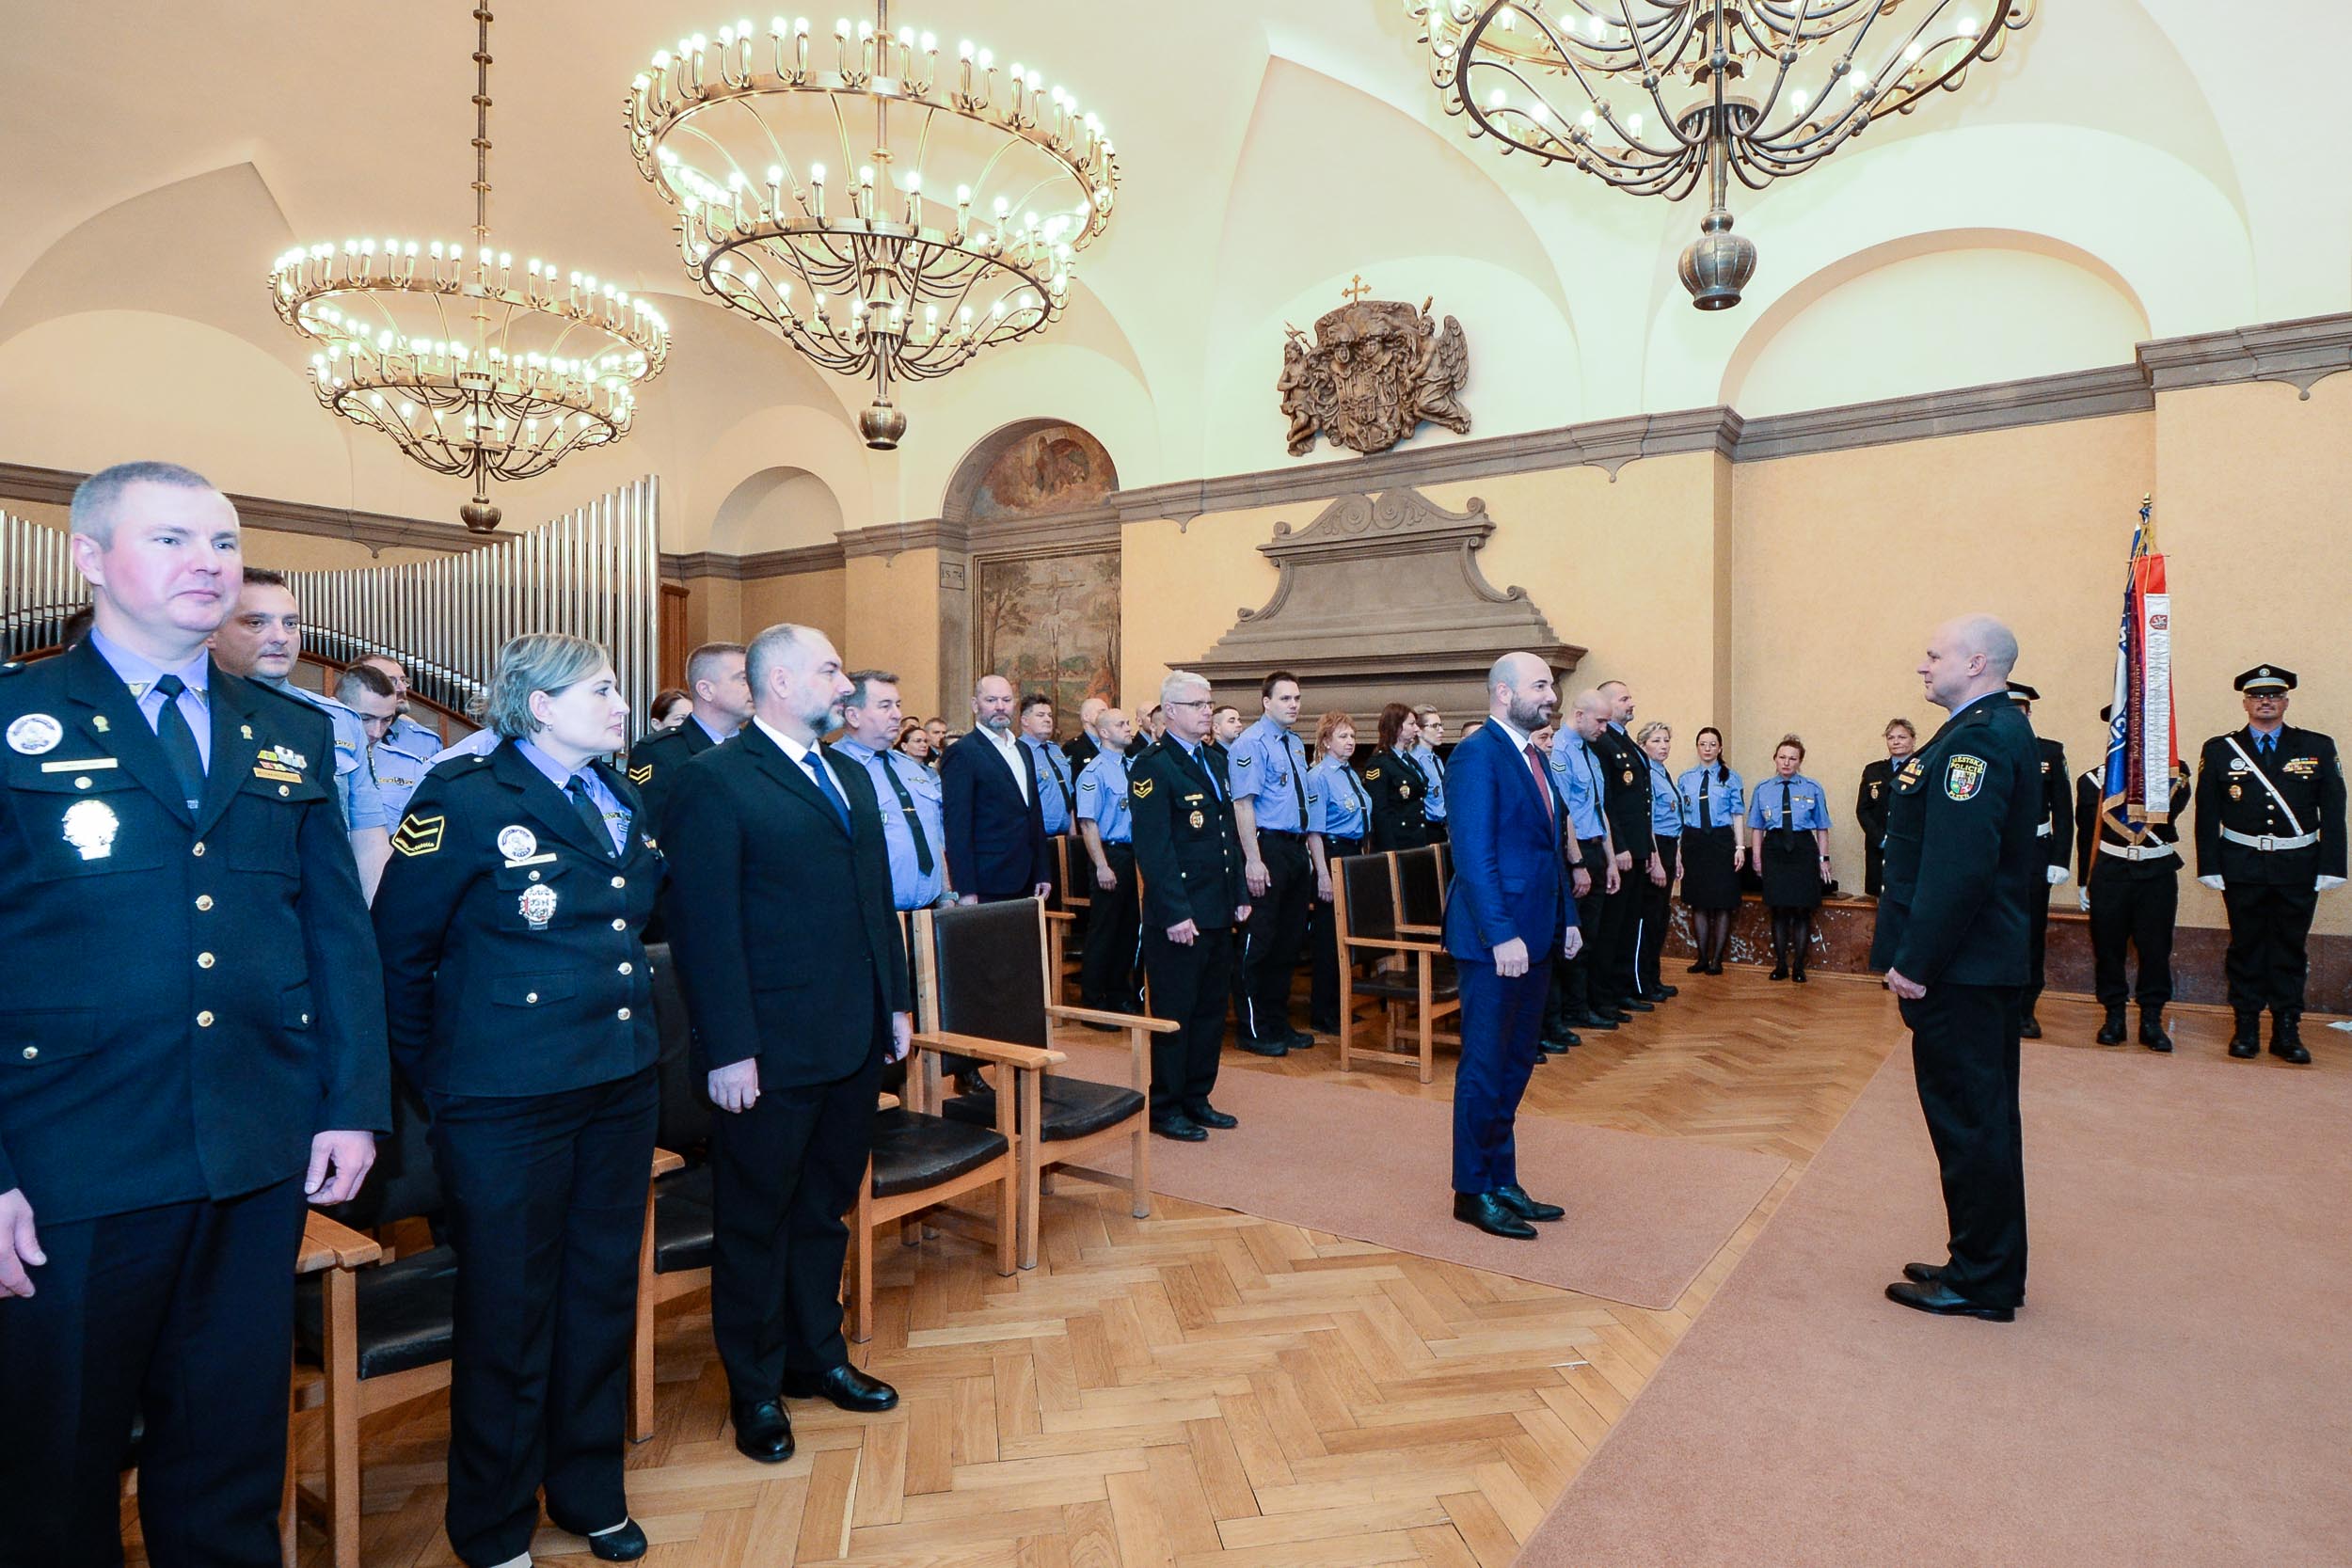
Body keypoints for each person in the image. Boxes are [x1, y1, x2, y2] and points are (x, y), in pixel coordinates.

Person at [0, 461, 387, 1566]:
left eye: (221, 543)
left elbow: (334, 935)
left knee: (227, 1456)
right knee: (53, 1469)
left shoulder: (287, 730)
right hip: (70, 1162)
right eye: (172, 540)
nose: (207, 564)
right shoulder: (15, 716)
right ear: (88, 557)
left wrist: (351, 1102)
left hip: (252, 1145)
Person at [372, 634, 663, 1567]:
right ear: (537, 703)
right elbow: (399, 956)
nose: (621, 703)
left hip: (616, 1081)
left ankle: (586, 1487)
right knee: (508, 1307)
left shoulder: (619, 792)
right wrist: (449, 1083)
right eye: (601, 688)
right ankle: (493, 1522)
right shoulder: (464, 797)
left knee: (599, 1291)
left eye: (618, 688)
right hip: (502, 1097)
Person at [660, 623, 910, 1466]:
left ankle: (818, 1357)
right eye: (831, 669)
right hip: (765, 1050)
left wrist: (897, 1004)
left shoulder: (846, 773)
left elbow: (876, 901)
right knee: (756, 1223)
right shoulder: (713, 781)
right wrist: (729, 1048)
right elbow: (704, 929)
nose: (845, 684)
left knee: (822, 1211)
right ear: (779, 683)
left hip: (850, 1038)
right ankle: (755, 1388)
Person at [1873, 613, 2042, 1323]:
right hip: (1978, 965)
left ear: (1976, 663)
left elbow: (1958, 870)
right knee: (1983, 1118)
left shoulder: (1977, 740)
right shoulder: (1991, 729)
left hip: (1961, 969)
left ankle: (1983, 1278)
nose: (1923, 664)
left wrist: (1915, 961)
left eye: (1934, 652)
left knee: (1971, 1121)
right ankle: (1983, 1257)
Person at [1444, 653, 1583, 1240]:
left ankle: (1502, 1178)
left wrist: (1569, 918)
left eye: (1551, 685)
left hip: (1539, 930)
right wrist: (1502, 934)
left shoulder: (1535, 756)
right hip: (1495, 940)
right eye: (1541, 685)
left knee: (1516, 1061)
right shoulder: (1477, 756)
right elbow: (1474, 857)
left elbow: (1550, 849)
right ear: (1504, 693)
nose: (1551, 695)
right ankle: (1471, 1190)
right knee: (1483, 1064)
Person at [209, 565, 394, 898]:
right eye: (256, 622)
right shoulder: (189, 716)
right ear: (212, 631)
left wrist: (371, 930)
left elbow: (368, 840)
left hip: (318, 905)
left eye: (290, 623)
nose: (280, 636)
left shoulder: (336, 720)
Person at [2194, 664, 2346, 1063]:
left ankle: (2286, 1030)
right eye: (2258, 696)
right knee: (2245, 947)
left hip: (2298, 865)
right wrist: (2209, 864)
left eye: (2274, 696)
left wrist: (2333, 865)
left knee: (2289, 948)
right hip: (2241, 863)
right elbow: (2207, 813)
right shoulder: (2220, 749)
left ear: (2285, 701)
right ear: (2245, 702)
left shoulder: (2316, 746)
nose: (2266, 702)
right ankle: (2245, 1027)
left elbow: (2334, 810)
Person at [1128, 670, 1250, 1142]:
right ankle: (1165, 1105)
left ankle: (1198, 1096)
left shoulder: (1215, 761)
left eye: (1209, 703)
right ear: (1171, 711)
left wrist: (1239, 894)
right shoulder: (1152, 766)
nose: (1208, 712)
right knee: (1176, 1012)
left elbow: (1229, 838)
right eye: (1199, 705)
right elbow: (1154, 850)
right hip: (1179, 915)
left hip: (1217, 909)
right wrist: (1177, 912)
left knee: (1209, 1010)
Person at [2075, 706, 2190, 1051]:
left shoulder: (2174, 775)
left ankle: (2152, 1019)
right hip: (2111, 872)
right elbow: (2087, 836)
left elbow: (2173, 809)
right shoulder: (2093, 781)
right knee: (2108, 949)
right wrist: (2085, 880)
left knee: (2155, 949)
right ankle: (2113, 1016)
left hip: (2156, 871)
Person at [1229, 671, 1315, 1056]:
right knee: (1259, 941)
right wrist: (1253, 860)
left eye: (1296, 698)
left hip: (1294, 850)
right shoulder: (1250, 743)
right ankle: (1252, 1027)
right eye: (1285, 699)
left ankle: (1278, 1022)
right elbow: (1243, 804)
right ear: (1266, 702)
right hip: (1267, 848)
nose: (1293, 705)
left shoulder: (1295, 743)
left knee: (1288, 942)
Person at [836, 670, 951, 919]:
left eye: (898, 705)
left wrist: (947, 896)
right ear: (853, 715)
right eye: (885, 706)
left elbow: (933, 834)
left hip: (928, 914)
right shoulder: (834, 769)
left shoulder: (910, 766)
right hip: (871, 919)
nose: (897, 714)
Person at [941, 674, 1052, 908]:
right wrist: (965, 888)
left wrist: (1042, 871)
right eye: (991, 700)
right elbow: (957, 825)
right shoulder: (963, 752)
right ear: (975, 705)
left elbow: (1033, 815)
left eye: (1006, 699)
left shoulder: (1023, 749)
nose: (1000, 706)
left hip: (1027, 877)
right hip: (987, 881)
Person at [1548, 690, 1620, 1040]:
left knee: (1591, 937)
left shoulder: (1589, 753)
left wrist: (1609, 861)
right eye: (1600, 721)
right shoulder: (1559, 751)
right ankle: (1568, 1012)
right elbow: (1565, 814)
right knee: (1572, 938)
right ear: (1579, 715)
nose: (1605, 728)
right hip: (1575, 855)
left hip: (1594, 849)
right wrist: (1577, 863)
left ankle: (1583, 1005)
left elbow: (1597, 809)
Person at [2005, 683, 2073, 1037]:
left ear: (2029, 713)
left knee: (2030, 933)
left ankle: (2025, 1009)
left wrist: (2060, 858)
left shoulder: (2049, 752)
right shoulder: (1983, 749)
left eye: (2021, 709)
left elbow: (2064, 809)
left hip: (2034, 852)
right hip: (1995, 854)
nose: (2015, 715)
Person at [627, 641, 750, 832]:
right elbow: (653, 830)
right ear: (706, 690)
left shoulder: (760, 749)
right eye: (743, 679)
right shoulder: (660, 752)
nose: (754, 686)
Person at [1590, 681, 1661, 1010]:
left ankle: (1624, 987)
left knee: (1630, 922)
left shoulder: (1624, 742)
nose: (1632, 703)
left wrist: (1646, 848)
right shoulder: (1602, 743)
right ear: (1606, 704)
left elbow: (1641, 805)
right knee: (1614, 925)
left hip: (1636, 848)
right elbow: (1608, 803)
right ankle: (1607, 994)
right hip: (1621, 851)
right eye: (1624, 698)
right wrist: (1619, 846)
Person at [1306, 710, 1373, 1036]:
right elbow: (1315, 831)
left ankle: (1340, 1006)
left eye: (1352, 736)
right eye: (1343, 737)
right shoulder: (1319, 776)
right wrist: (1322, 874)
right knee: (1328, 940)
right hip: (1331, 854)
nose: (1350, 742)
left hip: (1353, 855)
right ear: (1327, 741)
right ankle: (1323, 1012)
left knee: (1344, 937)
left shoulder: (1349, 773)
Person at [1074, 707, 1143, 1016]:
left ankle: (1118, 992)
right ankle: (1094, 997)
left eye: (1127, 722)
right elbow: (1088, 824)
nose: (1128, 728)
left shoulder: (1133, 766)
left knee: (1129, 928)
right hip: (1109, 853)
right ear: (1103, 732)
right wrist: (1102, 865)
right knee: (1105, 929)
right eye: (1121, 724)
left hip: (1133, 855)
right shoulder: (1094, 772)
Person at [1749, 736, 1832, 982]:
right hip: (1774, 849)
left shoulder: (1812, 788)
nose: (1786, 763)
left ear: (1800, 761)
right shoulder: (1763, 788)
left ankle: (1799, 967)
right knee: (1779, 910)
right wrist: (1757, 858)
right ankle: (1781, 965)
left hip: (1803, 848)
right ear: (1775, 759)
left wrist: (1823, 859)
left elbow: (1822, 827)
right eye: (1782, 757)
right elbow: (1756, 827)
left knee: (1802, 910)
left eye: (1792, 758)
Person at [1676, 726, 1746, 974]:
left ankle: (1717, 960)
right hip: (1694, 842)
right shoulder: (1685, 778)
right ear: (1697, 748)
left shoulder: (1731, 777)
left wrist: (1739, 847)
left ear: (1720, 748)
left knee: (1722, 902)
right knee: (1699, 902)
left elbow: (1737, 814)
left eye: (1712, 744)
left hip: (1721, 841)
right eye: (1703, 744)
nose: (1707, 749)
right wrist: (1678, 852)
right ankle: (1701, 957)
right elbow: (1680, 816)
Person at [355, 653, 447, 820]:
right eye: (391, 681)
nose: (402, 689)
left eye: (404, 680)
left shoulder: (426, 741)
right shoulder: (338, 734)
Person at [1630, 721, 1681, 1004]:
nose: (1663, 746)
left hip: (1670, 845)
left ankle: (1654, 977)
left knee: (1660, 918)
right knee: (1648, 919)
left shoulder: (1663, 772)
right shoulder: (1645, 773)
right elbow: (1647, 820)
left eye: (1666, 740)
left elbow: (1675, 818)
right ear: (1643, 745)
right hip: (1656, 847)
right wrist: (1657, 860)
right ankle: (1641, 982)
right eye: (1657, 741)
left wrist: (1678, 856)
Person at [1857, 719, 1916, 897]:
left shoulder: (1923, 767)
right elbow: (1863, 810)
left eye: (1902, 737)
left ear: (1913, 740)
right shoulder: (1873, 771)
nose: (1896, 742)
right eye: (1891, 738)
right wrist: (1881, 839)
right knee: (1881, 902)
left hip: (1910, 846)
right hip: (1879, 848)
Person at [1365, 701, 1432, 850]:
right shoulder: (1379, 763)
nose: (1416, 729)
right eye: (1411, 724)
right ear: (1396, 727)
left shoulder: (1409, 760)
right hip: (1399, 842)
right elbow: (1380, 812)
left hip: (1416, 838)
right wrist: (1391, 851)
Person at [1019, 690, 1077, 842]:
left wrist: (1073, 836)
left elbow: (1067, 794)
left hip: (1063, 838)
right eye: (1040, 715)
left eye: (1050, 716)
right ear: (1025, 721)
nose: (1047, 720)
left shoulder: (1056, 750)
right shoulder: (1018, 752)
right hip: (1034, 839)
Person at [1407, 705, 1450, 842]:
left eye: (1441, 725)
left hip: (1442, 827)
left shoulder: (1436, 759)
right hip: (1426, 829)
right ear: (1419, 731)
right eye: (1435, 726)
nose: (1441, 730)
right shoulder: (1414, 760)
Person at [1064, 695, 1107, 774]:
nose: (1106, 716)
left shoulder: (1113, 744)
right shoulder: (1073, 748)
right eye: (1101, 712)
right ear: (1086, 717)